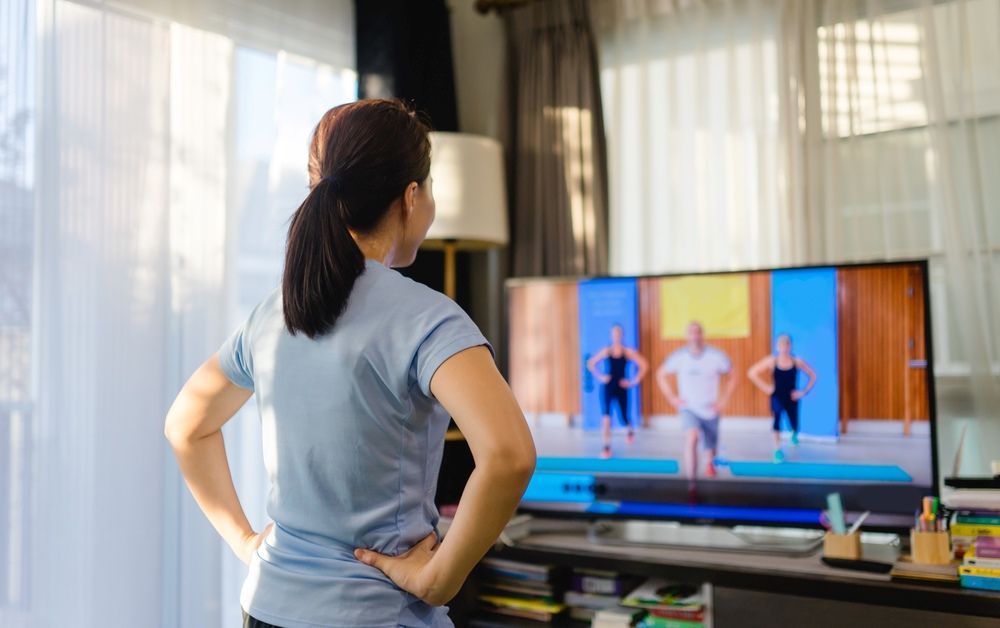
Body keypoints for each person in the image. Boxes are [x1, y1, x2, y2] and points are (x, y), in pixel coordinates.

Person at [164, 99, 536, 628]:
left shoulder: (275, 312)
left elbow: (186, 427)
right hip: (375, 613)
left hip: (266, 606)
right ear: (411, 197)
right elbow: (509, 454)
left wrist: (248, 542)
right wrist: (439, 579)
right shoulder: (427, 318)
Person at [655, 321, 736, 479]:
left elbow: (734, 374)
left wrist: (724, 400)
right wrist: (671, 397)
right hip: (688, 407)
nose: (694, 336)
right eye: (691, 332)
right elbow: (660, 375)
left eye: (697, 332)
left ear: (702, 335)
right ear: (686, 336)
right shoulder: (679, 357)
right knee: (692, 436)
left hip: (710, 408)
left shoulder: (716, 356)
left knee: (710, 446)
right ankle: (691, 482)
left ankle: (709, 462)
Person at [748, 334, 818, 462]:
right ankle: (777, 450)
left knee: (794, 423)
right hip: (777, 396)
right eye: (781, 345)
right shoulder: (772, 361)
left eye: (786, 345)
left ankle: (793, 433)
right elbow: (752, 373)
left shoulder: (797, 361)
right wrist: (766, 388)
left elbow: (813, 375)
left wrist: (803, 392)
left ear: (790, 346)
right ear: (777, 346)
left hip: (792, 397)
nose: (784, 348)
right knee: (777, 420)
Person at [586, 324, 649, 459]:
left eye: (618, 334)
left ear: (622, 335)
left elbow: (644, 365)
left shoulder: (627, 352)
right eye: (614, 334)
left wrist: (633, 381)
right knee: (606, 416)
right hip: (608, 386)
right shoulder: (607, 351)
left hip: (622, 387)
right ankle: (606, 446)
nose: (616, 336)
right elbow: (591, 363)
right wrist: (600, 376)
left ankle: (629, 430)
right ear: (611, 335)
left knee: (623, 417)